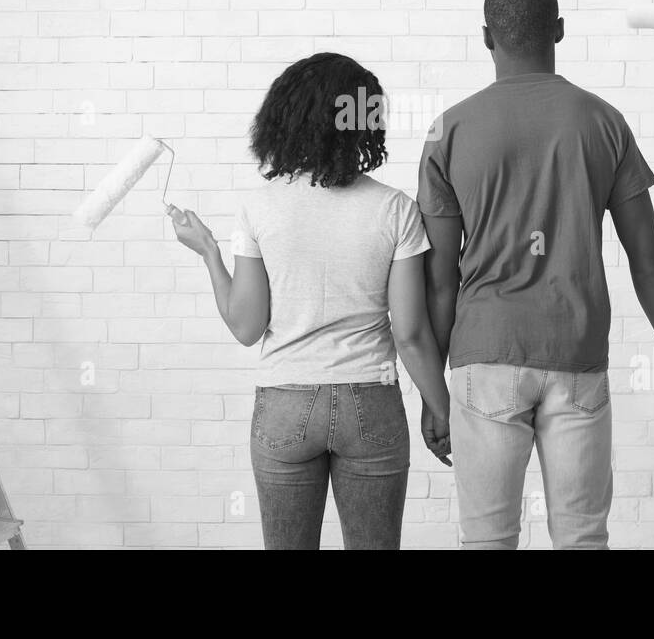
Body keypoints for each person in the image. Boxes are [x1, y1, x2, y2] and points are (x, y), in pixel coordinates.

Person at [417, 0, 654, 549]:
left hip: (483, 359)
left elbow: (440, 280)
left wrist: (435, 394)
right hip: (577, 356)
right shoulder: (602, 121)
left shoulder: (448, 130)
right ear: (560, 32)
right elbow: (647, 259)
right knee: (583, 539)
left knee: (487, 540)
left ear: (487, 38)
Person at [170, 52, 451, 550]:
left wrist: (209, 252)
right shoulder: (396, 210)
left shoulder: (258, 209)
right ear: (363, 124)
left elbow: (247, 327)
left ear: (285, 118)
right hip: (372, 402)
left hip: (285, 403)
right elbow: (409, 333)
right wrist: (441, 407)